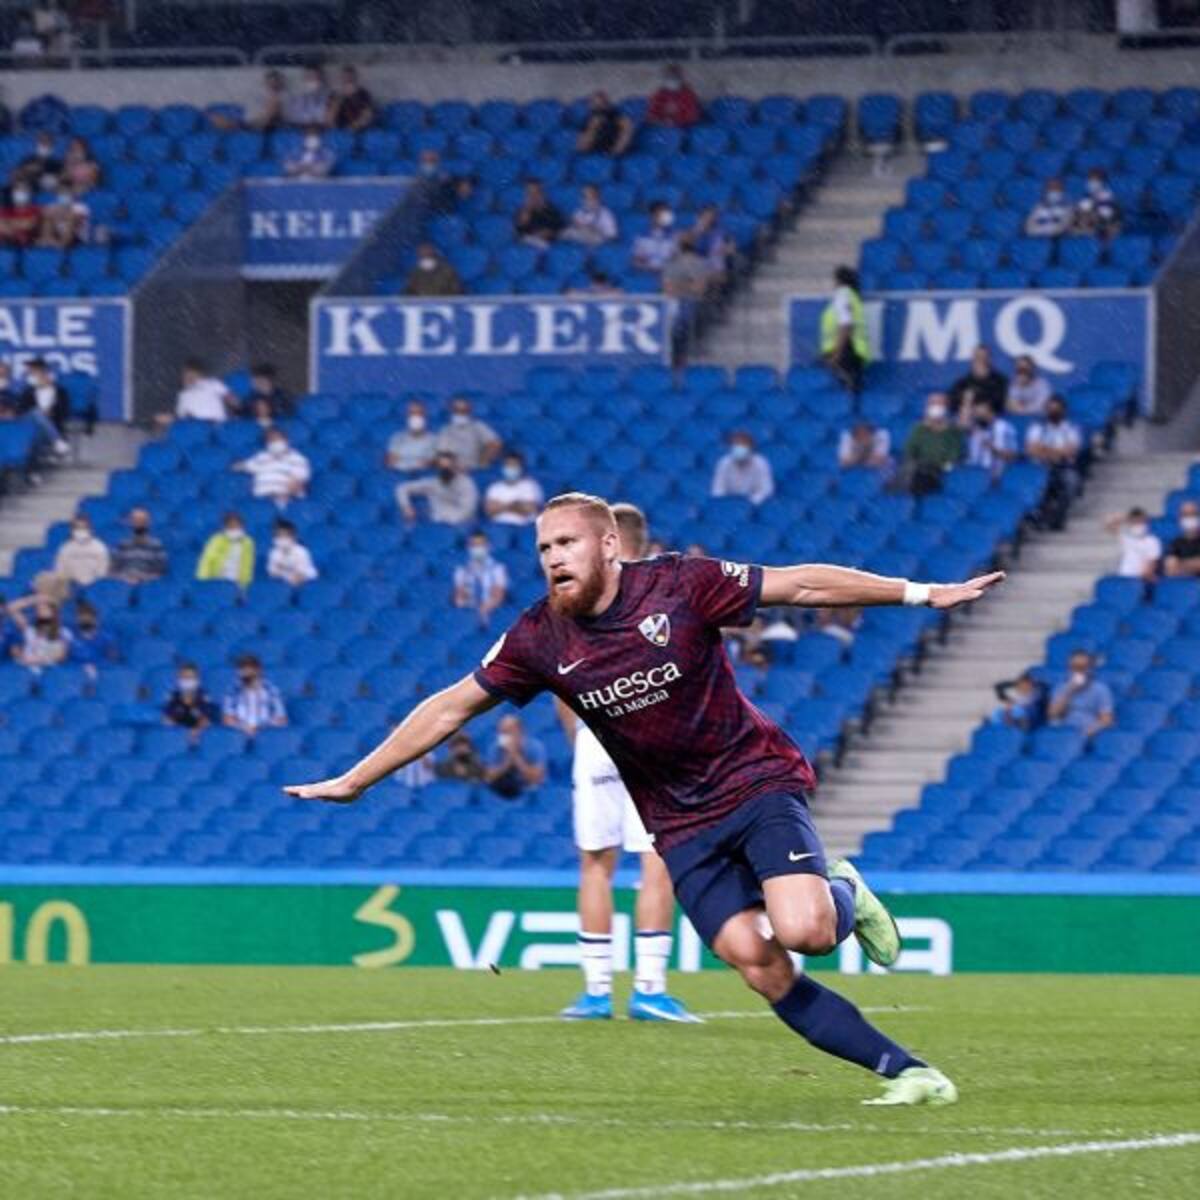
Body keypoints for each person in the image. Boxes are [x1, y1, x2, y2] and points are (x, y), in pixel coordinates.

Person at [286, 492, 1006, 1105]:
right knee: (759, 964)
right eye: (542, 548)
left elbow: (802, 586)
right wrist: (357, 779)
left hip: (752, 781)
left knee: (807, 930)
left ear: (607, 543)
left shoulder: (681, 585)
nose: (552, 558)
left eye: (566, 542)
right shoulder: (539, 636)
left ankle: (843, 891)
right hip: (680, 825)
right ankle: (907, 1072)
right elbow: (451, 709)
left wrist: (921, 593)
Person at [556, 501, 700, 1023]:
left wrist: (581, 734)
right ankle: (649, 990)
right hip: (656, 742)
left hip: (598, 737)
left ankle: (595, 993)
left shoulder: (573, 596)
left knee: (596, 863)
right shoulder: (663, 591)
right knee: (656, 862)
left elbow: (556, 673)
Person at [1026, 396, 1083, 530]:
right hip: (1040, 467)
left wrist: (1045, 449)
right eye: (1050, 409)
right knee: (1037, 484)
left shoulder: (1071, 428)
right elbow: (1032, 450)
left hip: (1064, 467)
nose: (1053, 412)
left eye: (1057, 409)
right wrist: (1056, 452)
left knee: (1072, 482)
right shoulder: (1037, 428)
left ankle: (1057, 517)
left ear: (1063, 411)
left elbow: (1071, 451)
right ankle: (1039, 516)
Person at [900, 393, 962, 496]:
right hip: (919, 471)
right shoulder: (919, 429)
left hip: (940, 472)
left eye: (939, 404)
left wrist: (942, 466)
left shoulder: (953, 432)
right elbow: (909, 451)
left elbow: (953, 458)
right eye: (932, 404)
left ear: (946, 408)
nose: (935, 407)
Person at [232, 427, 311, 508]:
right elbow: (241, 466)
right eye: (270, 440)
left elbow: (298, 484)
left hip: (285, 499)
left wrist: (284, 496)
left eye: (277, 438)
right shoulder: (261, 457)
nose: (274, 442)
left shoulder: (297, 459)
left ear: (286, 440)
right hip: (260, 500)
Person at [395, 451, 479, 526]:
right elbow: (402, 488)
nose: (445, 469)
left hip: (457, 526)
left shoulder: (466, 484)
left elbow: (467, 513)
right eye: (442, 467)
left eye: (448, 466)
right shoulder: (433, 483)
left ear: (455, 466)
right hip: (434, 525)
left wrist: (442, 518)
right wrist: (406, 507)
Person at [820, 266, 869, 396]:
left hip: (846, 351)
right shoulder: (853, 297)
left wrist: (837, 354)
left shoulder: (842, 294)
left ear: (839, 281)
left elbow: (846, 325)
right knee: (852, 393)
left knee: (847, 393)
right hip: (855, 352)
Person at [1048, 650, 1114, 737]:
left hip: (1089, 732)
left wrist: (1089, 731)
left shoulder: (1101, 689)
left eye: (1082, 667)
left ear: (1090, 668)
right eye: (1074, 667)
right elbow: (1053, 714)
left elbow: (1106, 720)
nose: (1078, 671)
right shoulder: (1061, 687)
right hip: (1064, 732)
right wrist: (1069, 691)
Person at [223, 653, 287, 736]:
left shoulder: (271, 690)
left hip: (266, 734)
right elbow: (227, 719)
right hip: (239, 734)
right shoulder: (232, 691)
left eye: (250, 669)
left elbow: (282, 719)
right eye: (243, 670)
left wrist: (261, 728)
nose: (247, 673)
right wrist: (244, 728)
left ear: (258, 670)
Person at [484, 714, 546, 799]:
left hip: (527, 791)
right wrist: (507, 762)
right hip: (502, 791)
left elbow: (537, 779)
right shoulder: (494, 748)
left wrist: (516, 757)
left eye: (507, 731)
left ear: (520, 731)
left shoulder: (535, 747)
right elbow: (489, 778)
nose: (503, 736)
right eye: (501, 732)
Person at [17, 357, 70, 455]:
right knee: (36, 413)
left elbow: (64, 409)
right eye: (31, 371)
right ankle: (57, 440)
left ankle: (55, 440)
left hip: (51, 420)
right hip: (28, 421)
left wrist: (52, 411)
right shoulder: (29, 390)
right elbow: (21, 408)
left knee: (39, 415)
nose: (31, 372)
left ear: (42, 371)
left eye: (34, 370)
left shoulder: (59, 390)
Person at [453, 531, 508, 625]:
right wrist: (467, 608)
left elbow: (499, 596)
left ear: (488, 546)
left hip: (492, 611)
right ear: (468, 547)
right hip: (468, 613)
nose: (477, 548)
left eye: (481, 544)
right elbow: (458, 596)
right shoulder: (462, 570)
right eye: (474, 545)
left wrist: (485, 608)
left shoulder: (497, 568)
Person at [6, 594, 71, 671]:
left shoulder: (63, 631)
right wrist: (34, 599)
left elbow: (61, 656)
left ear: (53, 611)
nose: (40, 610)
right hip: (25, 670)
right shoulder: (29, 628)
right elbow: (11, 608)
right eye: (39, 608)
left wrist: (36, 660)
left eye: (44, 608)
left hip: (48, 671)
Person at [434, 396, 501, 469]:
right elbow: (441, 453)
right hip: (453, 469)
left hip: (474, 469)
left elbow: (495, 443)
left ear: (470, 411)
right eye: (456, 410)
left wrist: (483, 461)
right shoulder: (446, 430)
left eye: (463, 411)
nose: (460, 414)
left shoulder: (478, 427)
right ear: (451, 410)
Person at [711, 431, 775, 505]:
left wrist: (749, 503)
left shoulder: (761, 463)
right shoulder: (724, 463)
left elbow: (767, 490)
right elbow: (717, 489)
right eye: (736, 445)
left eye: (743, 445)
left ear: (751, 448)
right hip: (729, 506)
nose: (739, 448)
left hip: (755, 506)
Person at [196, 512, 255, 588]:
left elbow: (248, 567)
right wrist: (203, 583)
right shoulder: (216, 540)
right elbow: (206, 561)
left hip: (237, 583)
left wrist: (244, 587)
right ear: (225, 527)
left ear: (242, 526)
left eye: (237, 525)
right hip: (217, 581)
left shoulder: (248, 543)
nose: (234, 528)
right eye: (231, 526)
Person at [162, 662, 220, 740]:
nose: (188, 680)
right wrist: (181, 735)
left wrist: (195, 732)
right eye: (185, 677)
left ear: (198, 680)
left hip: (200, 738)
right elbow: (167, 720)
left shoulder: (204, 697)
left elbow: (207, 720)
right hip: (176, 738)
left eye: (191, 677)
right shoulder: (173, 697)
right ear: (178, 679)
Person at [948, 345, 1008, 419]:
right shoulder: (962, 383)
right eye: (977, 357)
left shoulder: (1000, 381)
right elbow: (953, 403)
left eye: (984, 357)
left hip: (993, 420)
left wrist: (987, 407)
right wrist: (970, 409)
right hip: (967, 419)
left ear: (989, 359)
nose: (981, 361)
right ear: (972, 359)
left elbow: (1001, 401)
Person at [110, 508, 168, 584]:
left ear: (148, 523)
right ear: (130, 523)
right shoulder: (122, 545)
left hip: (147, 587)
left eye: (142, 521)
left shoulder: (156, 546)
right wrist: (125, 579)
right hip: (124, 586)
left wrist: (143, 579)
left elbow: (161, 573)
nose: (139, 524)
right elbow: (113, 571)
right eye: (135, 521)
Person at [484, 452, 543, 525]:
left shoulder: (530, 486)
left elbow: (529, 510)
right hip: (498, 527)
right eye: (508, 465)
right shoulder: (495, 487)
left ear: (521, 467)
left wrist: (501, 505)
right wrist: (515, 505)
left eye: (514, 465)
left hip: (524, 527)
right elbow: (490, 511)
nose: (511, 468)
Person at [1104, 507, 1161, 581]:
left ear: (1146, 522)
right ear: (1130, 523)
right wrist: (1123, 517)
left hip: (1139, 580)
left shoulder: (1153, 541)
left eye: (1140, 522)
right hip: (1123, 577)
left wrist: (1141, 578)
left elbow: (1152, 565)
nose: (1138, 525)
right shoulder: (1126, 537)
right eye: (1135, 522)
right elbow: (1108, 524)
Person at [53, 514, 110, 587]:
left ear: (90, 529)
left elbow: (102, 573)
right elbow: (60, 572)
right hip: (70, 588)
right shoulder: (65, 549)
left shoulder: (100, 548)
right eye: (77, 528)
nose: (80, 531)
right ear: (71, 530)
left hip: (92, 589)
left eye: (84, 528)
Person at [965, 400, 1018, 478]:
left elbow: (1012, 456)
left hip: (995, 474)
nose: (976, 412)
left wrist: (992, 448)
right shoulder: (973, 429)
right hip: (972, 474)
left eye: (979, 409)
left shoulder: (1005, 427)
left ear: (989, 410)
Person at [575, 90, 635, 157]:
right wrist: (593, 128)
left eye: (598, 102)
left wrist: (614, 153)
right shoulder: (590, 118)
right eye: (591, 102)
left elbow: (627, 130)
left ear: (606, 103)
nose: (593, 105)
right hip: (593, 150)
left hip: (611, 149)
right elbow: (580, 147)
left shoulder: (615, 115)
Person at [67, 599, 118, 676]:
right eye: (82, 622)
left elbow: (113, 658)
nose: (85, 621)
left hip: (100, 670)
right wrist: (82, 667)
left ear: (97, 621)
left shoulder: (106, 635)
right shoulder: (69, 634)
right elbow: (64, 659)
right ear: (76, 621)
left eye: (90, 621)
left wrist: (96, 666)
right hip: (75, 672)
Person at [387, 399, 437, 471]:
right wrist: (415, 464)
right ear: (407, 416)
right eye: (412, 413)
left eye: (419, 413)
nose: (415, 416)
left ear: (425, 416)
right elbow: (391, 461)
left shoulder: (434, 439)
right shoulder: (397, 437)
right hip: (398, 476)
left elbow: (427, 463)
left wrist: (402, 462)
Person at [646, 63, 702, 128]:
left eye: (674, 77)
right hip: (662, 127)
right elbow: (652, 114)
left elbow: (692, 115)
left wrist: (676, 121)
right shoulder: (659, 94)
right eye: (669, 77)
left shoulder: (688, 94)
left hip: (683, 127)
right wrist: (662, 121)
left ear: (680, 78)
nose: (672, 80)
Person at [514, 178, 565, 248]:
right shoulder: (522, 211)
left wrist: (549, 232)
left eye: (536, 192)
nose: (533, 196)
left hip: (547, 244)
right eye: (529, 193)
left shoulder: (551, 209)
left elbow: (559, 227)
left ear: (541, 193)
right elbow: (519, 231)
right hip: (528, 244)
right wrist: (525, 215)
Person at [267, 519, 319, 587]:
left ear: (293, 537)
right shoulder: (273, 553)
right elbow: (272, 571)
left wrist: (297, 576)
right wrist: (285, 575)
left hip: (306, 583)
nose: (282, 539)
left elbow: (302, 574)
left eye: (285, 536)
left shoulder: (302, 552)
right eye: (278, 536)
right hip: (283, 585)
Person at [1073, 168, 1121, 239]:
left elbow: (1106, 214)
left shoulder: (1107, 195)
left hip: (1104, 226)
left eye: (1096, 180)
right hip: (1087, 225)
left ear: (1102, 181)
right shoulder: (1085, 195)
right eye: (1091, 179)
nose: (1093, 182)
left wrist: (1094, 205)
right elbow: (1080, 210)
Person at [631, 201, 678, 273]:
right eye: (660, 215)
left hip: (669, 275)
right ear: (652, 216)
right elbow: (635, 262)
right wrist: (648, 268)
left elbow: (678, 260)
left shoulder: (674, 236)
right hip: (646, 274)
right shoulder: (641, 237)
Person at [327, 64, 375, 131]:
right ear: (341, 79)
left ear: (355, 78)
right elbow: (329, 120)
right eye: (345, 78)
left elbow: (368, 114)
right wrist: (339, 99)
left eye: (351, 77)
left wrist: (355, 126)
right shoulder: (335, 95)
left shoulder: (363, 94)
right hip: (340, 130)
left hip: (360, 129)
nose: (348, 80)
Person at [283, 64, 331, 129]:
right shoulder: (296, 99)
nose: (313, 80)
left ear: (321, 79)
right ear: (305, 79)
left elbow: (325, 119)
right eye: (310, 77)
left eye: (316, 77)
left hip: (321, 130)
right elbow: (293, 118)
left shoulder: (328, 97)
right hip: (300, 131)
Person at [1164, 500, 1200, 578]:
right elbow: (1170, 570)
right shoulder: (1175, 543)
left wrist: (1180, 564)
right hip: (1183, 586)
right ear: (1180, 519)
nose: (1190, 518)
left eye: (1193, 514)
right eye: (1185, 514)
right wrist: (1195, 563)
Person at [0, 183, 41, 247]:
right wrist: (21, 222)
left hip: (29, 244)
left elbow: (29, 225)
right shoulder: (6, 209)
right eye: (18, 190)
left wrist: (9, 223)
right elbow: (1, 226)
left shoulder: (35, 209)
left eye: (23, 190)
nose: (20, 192)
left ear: (29, 193)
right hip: (7, 244)